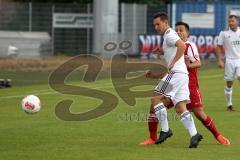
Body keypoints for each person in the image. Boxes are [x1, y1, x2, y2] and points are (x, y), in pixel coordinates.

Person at [140, 21, 230, 146]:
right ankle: (153, 137)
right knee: (155, 105)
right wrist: (155, 75)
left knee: (198, 112)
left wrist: (188, 65)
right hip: (175, 81)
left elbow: (198, 63)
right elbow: (171, 71)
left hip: (189, 85)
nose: (178, 32)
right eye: (176, 29)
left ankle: (217, 135)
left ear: (187, 33)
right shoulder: (173, 47)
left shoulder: (189, 45)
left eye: (181, 30)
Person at [141, 12, 203, 148]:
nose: (156, 27)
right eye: (154, 25)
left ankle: (165, 130)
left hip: (176, 73)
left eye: (158, 24)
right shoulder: (169, 36)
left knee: (155, 99)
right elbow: (176, 47)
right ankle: (194, 135)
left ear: (165, 22)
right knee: (180, 107)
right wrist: (163, 51)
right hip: (183, 75)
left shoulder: (169, 34)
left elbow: (181, 46)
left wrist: (172, 63)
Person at [216, 15, 240, 111]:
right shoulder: (224, 33)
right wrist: (220, 60)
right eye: (229, 21)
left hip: (239, 59)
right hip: (229, 60)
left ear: (236, 21)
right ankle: (229, 104)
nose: (230, 23)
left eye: (232, 21)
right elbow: (218, 47)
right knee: (229, 83)